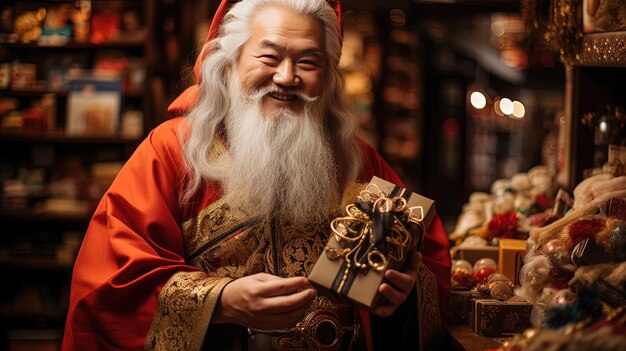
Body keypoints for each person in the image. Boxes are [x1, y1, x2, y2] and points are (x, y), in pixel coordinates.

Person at [62, 0, 451, 350]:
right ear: (229, 62)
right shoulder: (172, 151)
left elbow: (420, 260)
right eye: (269, 57)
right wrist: (222, 301)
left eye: (308, 62)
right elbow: (112, 278)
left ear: (328, 76)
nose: (286, 77)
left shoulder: (354, 158)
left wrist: (403, 293)